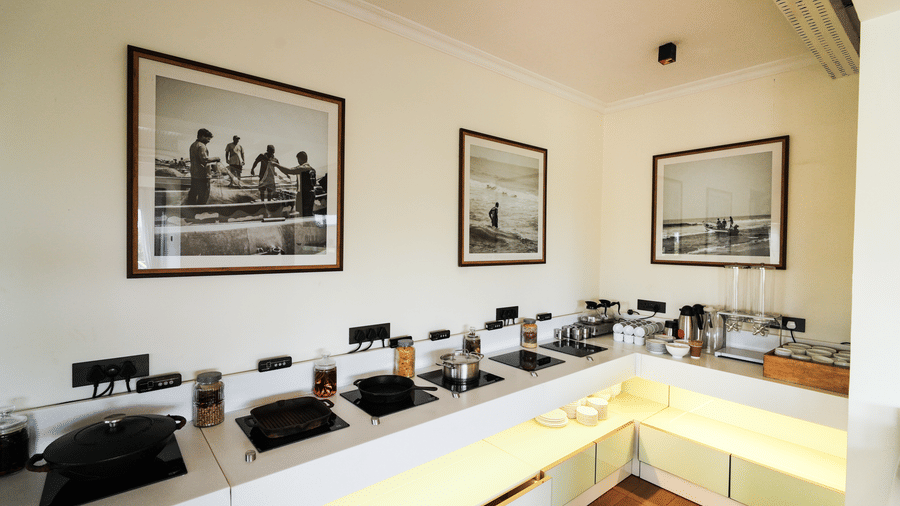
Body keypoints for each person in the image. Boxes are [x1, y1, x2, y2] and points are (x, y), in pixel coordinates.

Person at [272, 151, 317, 217]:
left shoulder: (303, 168)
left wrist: (276, 165)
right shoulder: (311, 168)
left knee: (305, 214)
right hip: (311, 194)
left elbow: (289, 170)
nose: (298, 161)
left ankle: (308, 223)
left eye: (298, 159)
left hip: (305, 195)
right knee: (308, 214)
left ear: (300, 159)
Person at [185, 128, 220, 206]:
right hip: (202, 175)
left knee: (193, 193)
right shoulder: (201, 146)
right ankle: (201, 209)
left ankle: (191, 208)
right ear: (201, 136)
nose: (209, 140)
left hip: (194, 174)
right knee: (203, 195)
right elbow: (204, 159)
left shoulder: (193, 145)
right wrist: (216, 158)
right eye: (208, 138)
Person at [252, 145, 279, 218]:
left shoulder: (275, 159)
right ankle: (262, 204)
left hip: (270, 178)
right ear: (267, 151)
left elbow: (279, 167)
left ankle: (269, 204)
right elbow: (256, 162)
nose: (272, 153)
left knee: (270, 192)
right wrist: (252, 169)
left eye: (273, 152)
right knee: (262, 191)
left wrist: (285, 174)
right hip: (262, 176)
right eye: (271, 152)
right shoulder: (262, 156)